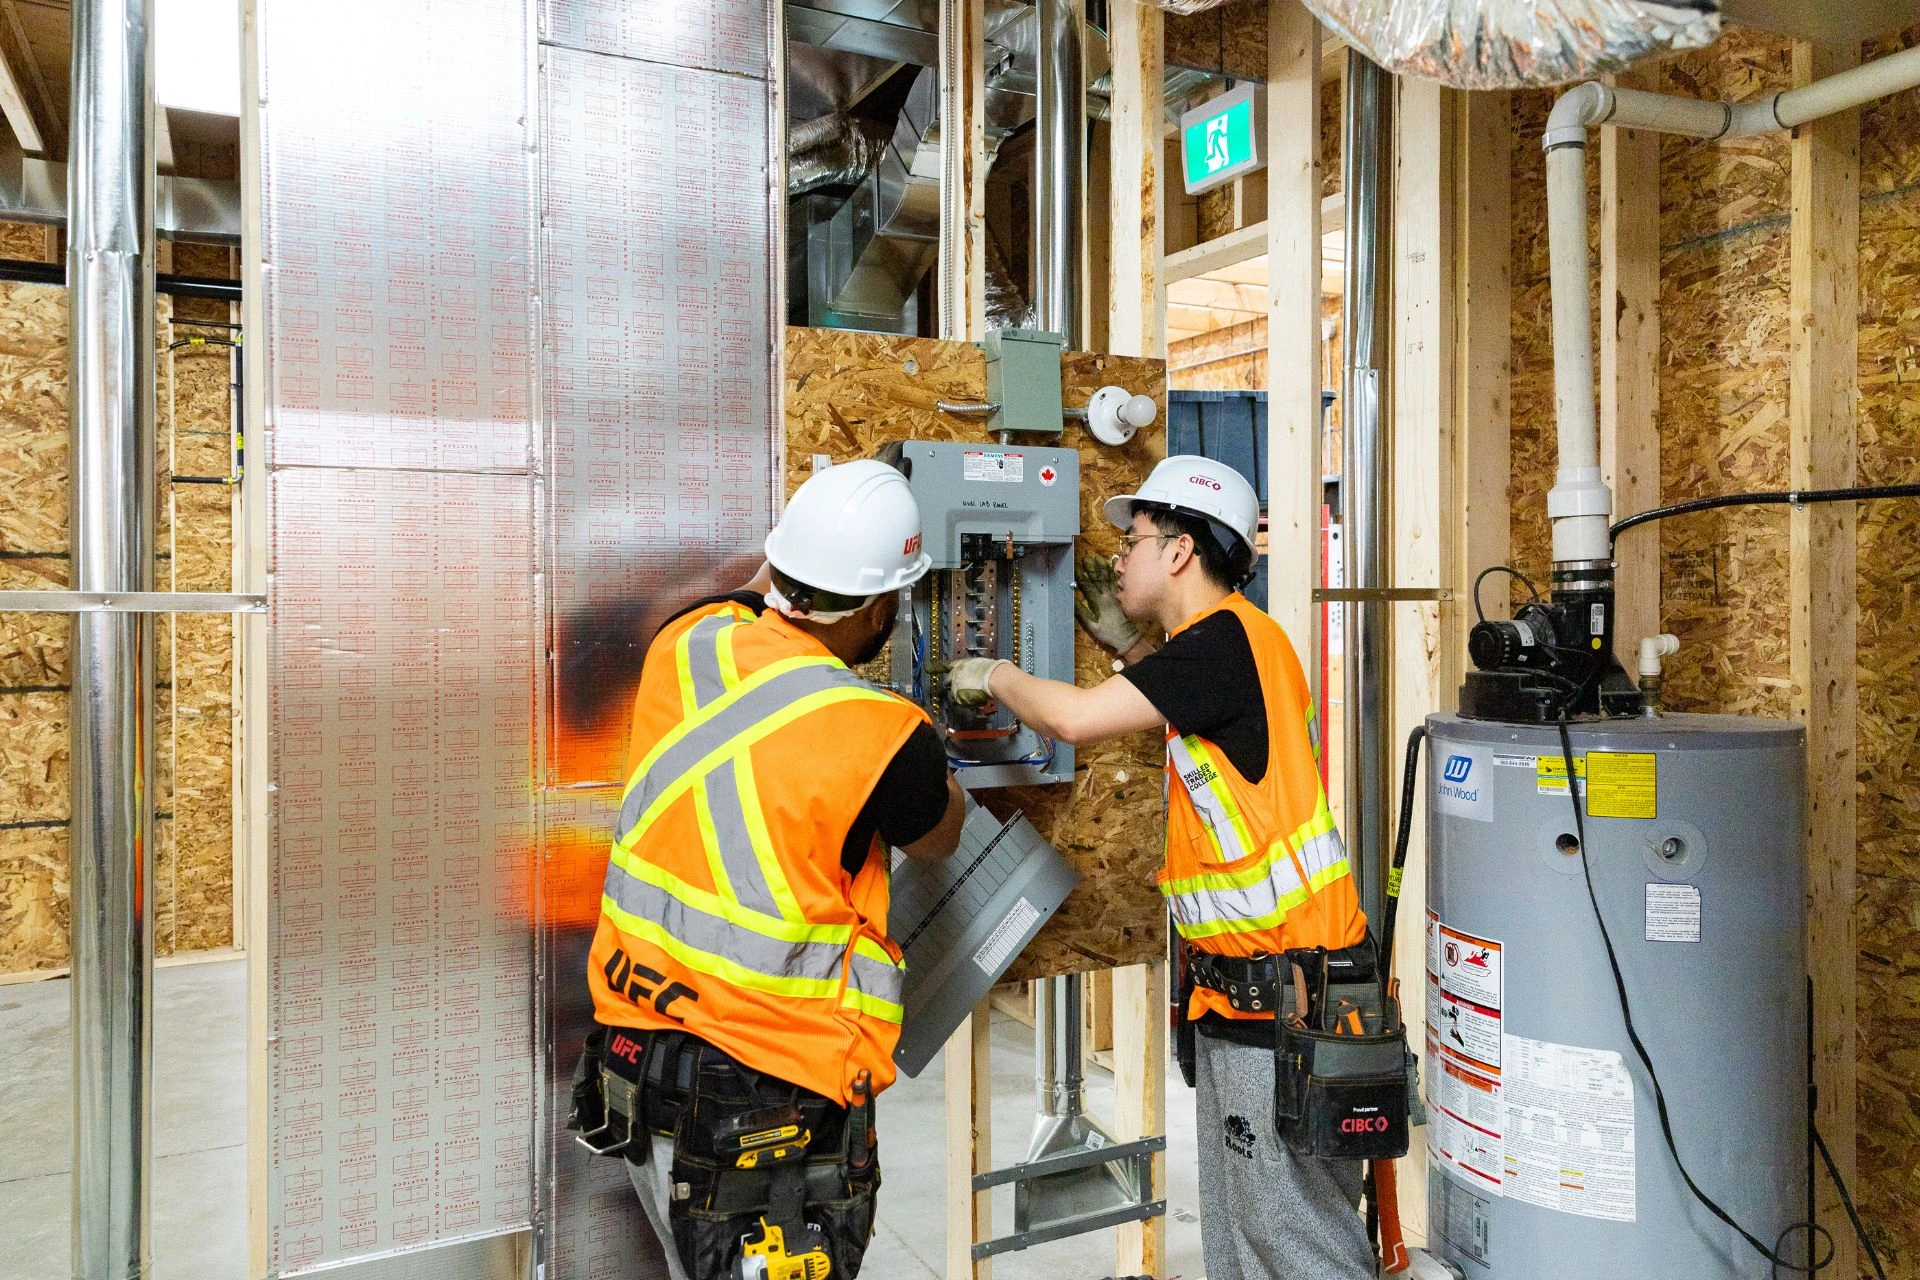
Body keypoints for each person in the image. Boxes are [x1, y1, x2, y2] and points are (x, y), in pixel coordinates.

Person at [947, 455, 1376, 1280]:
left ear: (1180, 551)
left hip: (1287, 998)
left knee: (1295, 1241)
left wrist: (990, 673)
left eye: (1133, 541)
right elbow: (1189, 702)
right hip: (1247, 996)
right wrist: (1133, 646)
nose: (1119, 559)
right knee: (1243, 1234)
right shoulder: (1225, 646)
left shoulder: (1223, 645)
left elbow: (1075, 720)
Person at [574, 459, 966, 1280]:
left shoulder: (685, 643)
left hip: (636, 1060)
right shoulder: (885, 734)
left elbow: (753, 594)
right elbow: (938, 837)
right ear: (881, 608)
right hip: (764, 1100)